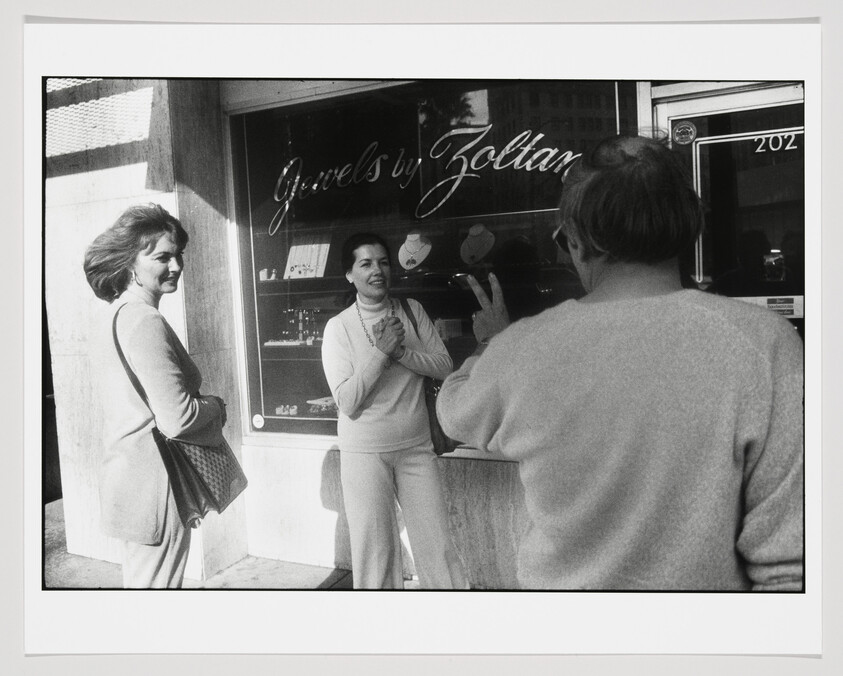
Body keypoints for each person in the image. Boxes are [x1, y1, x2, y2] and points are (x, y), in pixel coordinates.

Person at [437, 135, 804, 591]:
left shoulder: (521, 349)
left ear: (576, 240)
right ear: (689, 226)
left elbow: (454, 413)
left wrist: (487, 344)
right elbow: (790, 566)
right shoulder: (765, 344)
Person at [83, 204, 228, 588]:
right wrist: (216, 407)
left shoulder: (115, 315)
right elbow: (177, 419)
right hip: (158, 483)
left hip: (127, 478)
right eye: (162, 256)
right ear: (131, 263)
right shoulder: (145, 321)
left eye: (178, 254)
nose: (176, 265)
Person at [321, 232, 467, 589]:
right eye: (366, 263)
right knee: (376, 556)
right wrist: (381, 352)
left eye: (383, 262)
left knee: (438, 548)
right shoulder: (339, 327)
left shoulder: (412, 311)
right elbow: (347, 400)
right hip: (365, 453)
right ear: (349, 275)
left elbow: (445, 365)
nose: (377, 270)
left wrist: (402, 353)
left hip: (417, 447)